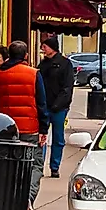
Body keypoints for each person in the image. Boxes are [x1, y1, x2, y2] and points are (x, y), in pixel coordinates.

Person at [0, 41, 45, 210]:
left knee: (7, 164)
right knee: (34, 164)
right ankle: (27, 198)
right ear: (26, 56)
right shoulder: (34, 74)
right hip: (30, 128)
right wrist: (44, 129)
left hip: (5, 128)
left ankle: (5, 201)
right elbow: (41, 103)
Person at [36, 35, 78, 177]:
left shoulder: (65, 64)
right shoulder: (43, 64)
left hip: (59, 108)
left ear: (52, 48)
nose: (42, 48)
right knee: (41, 137)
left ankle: (55, 167)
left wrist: (58, 104)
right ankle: (39, 165)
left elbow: (67, 87)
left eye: (45, 46)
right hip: (43, 106)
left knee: (58, 138)